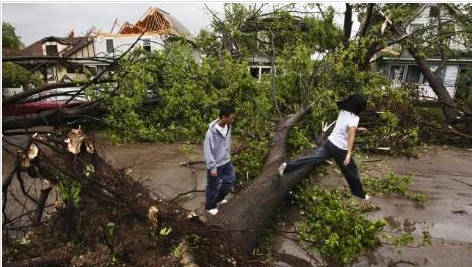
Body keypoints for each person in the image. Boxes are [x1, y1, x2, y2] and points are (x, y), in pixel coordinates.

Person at [278, 94, 370, 200]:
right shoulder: (355, 118)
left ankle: (287, 167)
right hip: (339, 148)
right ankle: (359, 194)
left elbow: (347, 128)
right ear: (359, 107)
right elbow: (350, 135)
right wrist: (349, 153)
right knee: (351, 170)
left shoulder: (343, 111)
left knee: (311, 159)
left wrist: (358, 129)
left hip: (329, 143)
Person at [204, 105, 236, 215]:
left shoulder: (228, 126)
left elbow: (226, 143)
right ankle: (209, 206)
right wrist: (212, 167)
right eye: (231, 118)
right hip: (215, 164)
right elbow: (208, 151)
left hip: (225, 160)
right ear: (224, 117)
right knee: (212, 186)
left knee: (230, 179)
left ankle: (219, 198)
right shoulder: (210, 133)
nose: (233, 120)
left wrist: (228, 155)